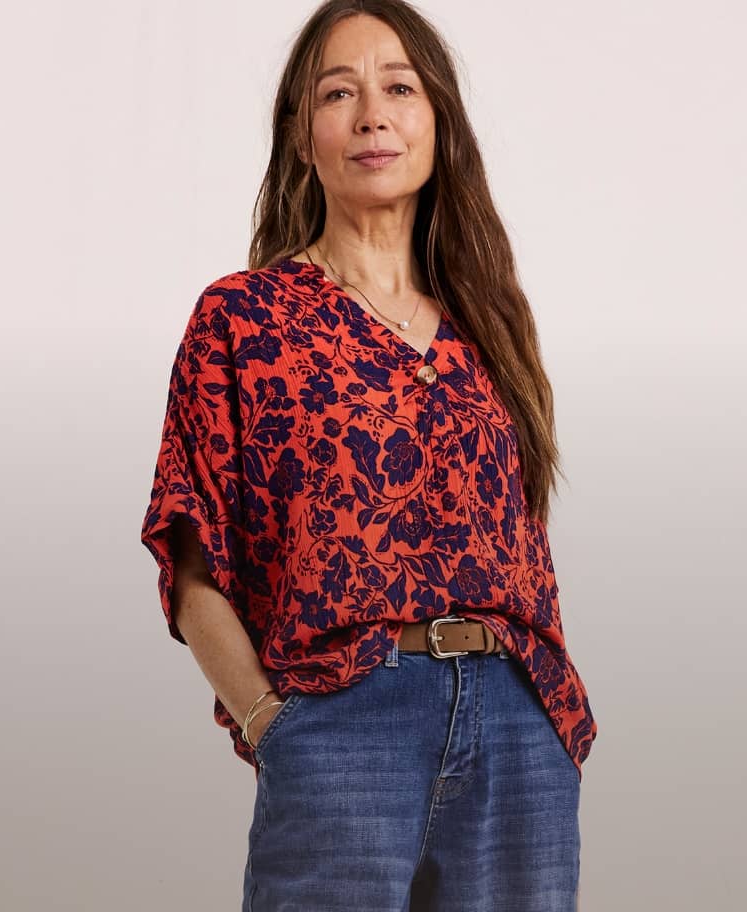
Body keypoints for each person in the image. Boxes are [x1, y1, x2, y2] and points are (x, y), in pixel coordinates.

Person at [140, 1, 598, 909]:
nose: (373, 114)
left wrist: (549, 724)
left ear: (438, 124)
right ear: (302, 135)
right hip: (345, 720)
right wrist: (279, 728)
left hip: (518, 720)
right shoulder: (244, 319)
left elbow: (523, 541)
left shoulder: (489, 327)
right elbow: (190, 560)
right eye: (338, 93)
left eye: (399, 88)